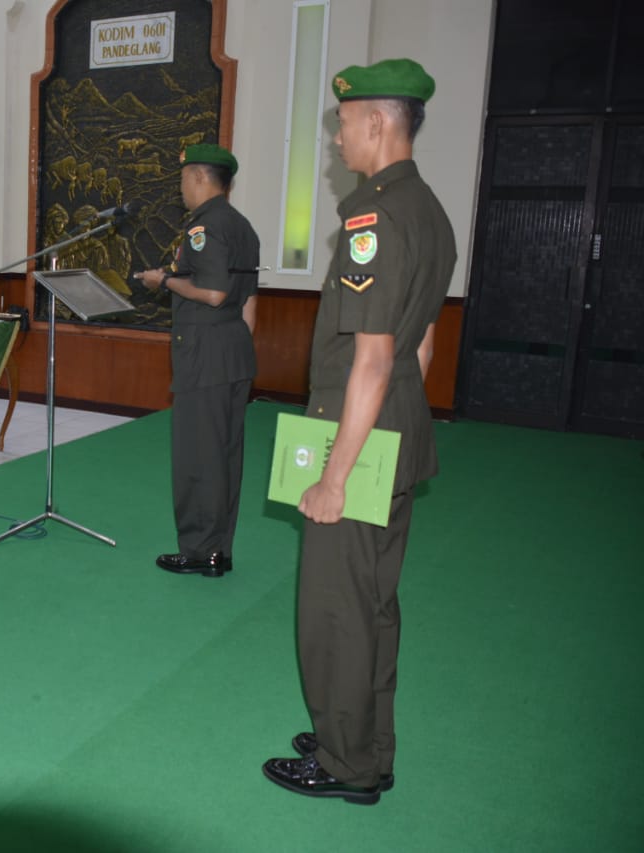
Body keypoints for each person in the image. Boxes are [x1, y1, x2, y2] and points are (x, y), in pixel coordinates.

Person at [261, 58, 456, 806]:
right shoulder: (429, 210)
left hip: (359, 430)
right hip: (400, 426)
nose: (338, 137)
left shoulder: (374, 218)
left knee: (337, 607)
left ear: (378, 121)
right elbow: (425, 346)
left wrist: (335, 476)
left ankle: (346, 763)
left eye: (343, 122)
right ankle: (366, 739)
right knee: (374, 600)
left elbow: (372, 355)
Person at [135, 143, 259, 579]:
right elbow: (248, 305)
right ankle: (218, 549)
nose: (181, 186)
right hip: (234, 353)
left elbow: (213, 292)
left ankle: (198, 551)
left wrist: (164, 279)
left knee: (197, 457)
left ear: (201, 178)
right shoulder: (243, 227)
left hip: (204, 355)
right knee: (225, 456)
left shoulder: (203, 228)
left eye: (184, 177)